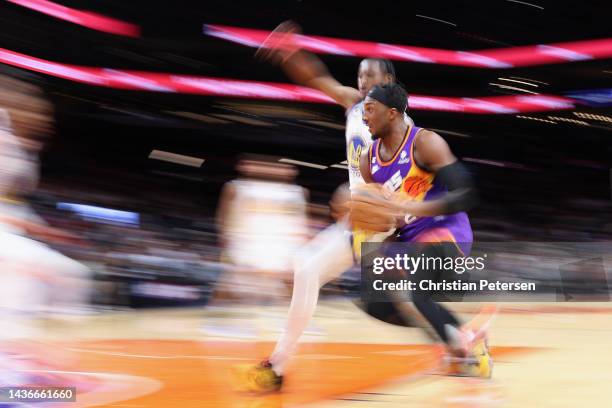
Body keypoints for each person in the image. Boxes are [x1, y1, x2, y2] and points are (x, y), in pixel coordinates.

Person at [237, 21, 416, 392]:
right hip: (361, 220)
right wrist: (290, 52)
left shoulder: (398, 123)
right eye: (360, 75)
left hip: (387, 220)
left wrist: (361, 198)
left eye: (370, 75)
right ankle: (277, 366)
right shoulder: (355, 104)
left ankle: (463, 343)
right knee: (307, 268)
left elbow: (402, 179)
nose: (363, 81)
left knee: (390, 296)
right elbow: (318, 78)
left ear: (389, 80)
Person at [353, 82, 491, 377]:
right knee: (374, 299)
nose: (364, 117)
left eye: (369, 109)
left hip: (448, 231)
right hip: (410, 240)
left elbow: (466, 194)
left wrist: (414, 208)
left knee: (416, 292)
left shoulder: (425, 143)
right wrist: (378, 236)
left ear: (392, 113)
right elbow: (383, 217)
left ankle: (462, 343)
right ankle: (460, 341)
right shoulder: (368, 160)